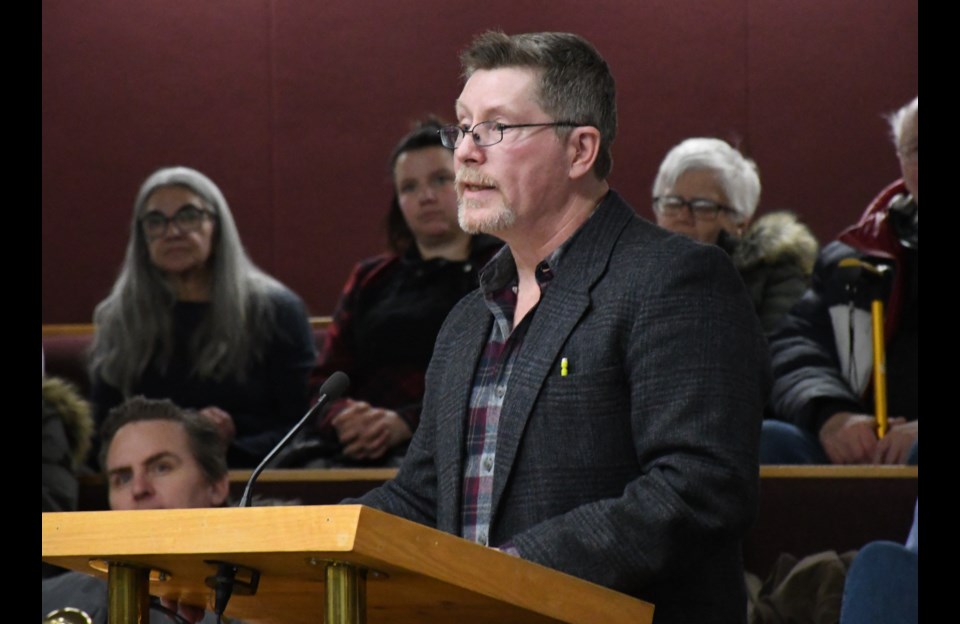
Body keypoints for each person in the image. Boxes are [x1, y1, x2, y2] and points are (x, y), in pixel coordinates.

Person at [355, 31, 769, 623]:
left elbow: (700, 489)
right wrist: (302, 544)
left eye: (495, 128)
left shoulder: (675, 279)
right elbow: (423, 497)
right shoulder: (470, 317)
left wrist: (509, 570)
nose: (466, 153)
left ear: (579, 151)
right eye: (463, 127)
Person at [89, 166, 317, 468]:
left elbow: (303, 424)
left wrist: (218, 446)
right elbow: (102, 433)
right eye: (155, 221)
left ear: (218, 226)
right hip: (146, 480)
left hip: (250, 472)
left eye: (188, 216)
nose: (172, 232)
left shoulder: (275, 311)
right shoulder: (119, 319)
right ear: (141, 238)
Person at [308, 119, 500, 465]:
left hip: (466, 449)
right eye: (409, 187)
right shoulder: (371, 277)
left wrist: (408, 423)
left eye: (441, 180)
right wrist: (342, 418)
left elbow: (505, 378)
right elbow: (323, 379)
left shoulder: (507, 267)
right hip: (356, 450)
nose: (425, 197)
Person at [762, 97, 918, 464]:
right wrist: (833, 415)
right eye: (915, 149)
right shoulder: (853, 258)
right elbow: (791, 346)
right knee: (769, 442)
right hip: (866, 443)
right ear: (900, 161)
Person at [42, 397, 230, 623]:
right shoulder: (52, 601)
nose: (139, 489)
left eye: (161, 467)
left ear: (217, 485)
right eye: (123, 478)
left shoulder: (265, 608)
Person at [652, 137, 818, 332]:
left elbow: (782, 353)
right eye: (671, 203)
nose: (682, 216)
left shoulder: (776, 277)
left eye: (703, 207)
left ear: (740, 222)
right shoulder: (631, 277)